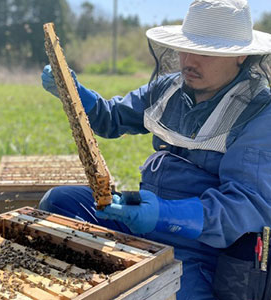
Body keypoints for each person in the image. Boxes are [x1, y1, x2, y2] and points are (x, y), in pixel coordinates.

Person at [39, 0, 271, 299]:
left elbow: (245, 206)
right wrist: (73, 91)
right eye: (186, 47)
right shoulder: (169, 89)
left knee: (160, 293)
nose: (189, 60)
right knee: (61, 203)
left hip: (201, 251)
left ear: (240, 55)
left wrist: (166, 214)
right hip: (143, 225)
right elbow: (112, 118)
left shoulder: (260, 114)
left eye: (205, 51)